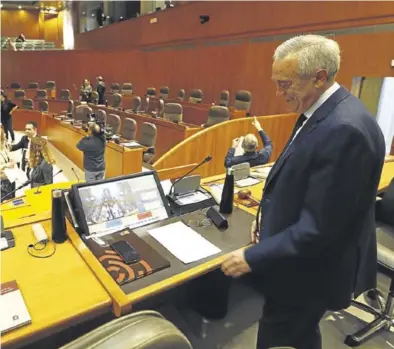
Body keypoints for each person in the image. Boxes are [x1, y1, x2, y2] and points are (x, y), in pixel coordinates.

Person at [221, 35, 386, 349]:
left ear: (320, 78)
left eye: (286, 84)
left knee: (281, 335)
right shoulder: (325, 110)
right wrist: (268, 218)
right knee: (300, 335)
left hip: (309, 272)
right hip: (303, 260)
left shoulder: (344, 129)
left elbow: (319, 228)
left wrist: (251, 255)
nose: (279, 93)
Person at [0, 126, 16, 201]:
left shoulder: (4, 147)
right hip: (2, 180)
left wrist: (12, 160)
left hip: (10, 177)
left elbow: (9, 157)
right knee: (4, 202)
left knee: (12, 199)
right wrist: (6, 165)